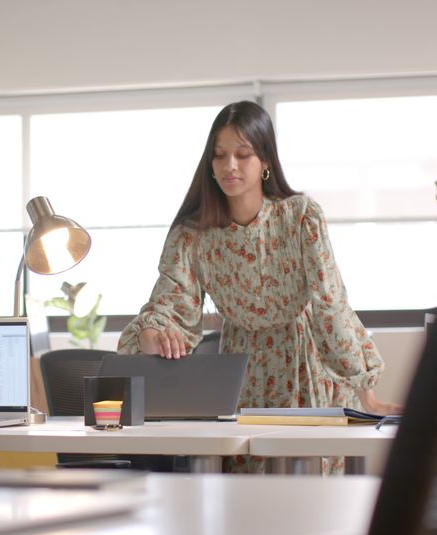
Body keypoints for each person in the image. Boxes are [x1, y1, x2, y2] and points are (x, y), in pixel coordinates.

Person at [117, 101, 403, 474]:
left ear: (265, 160)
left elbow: (330, 304)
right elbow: (171, 305)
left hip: (305, 370)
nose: (229, 165)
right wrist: (154, 332)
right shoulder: (193, 235)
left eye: (243, 154)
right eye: (219, 155)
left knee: (308, 499)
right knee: (246, 501)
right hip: (239, 376)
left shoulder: (300, 217)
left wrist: (363, 388)